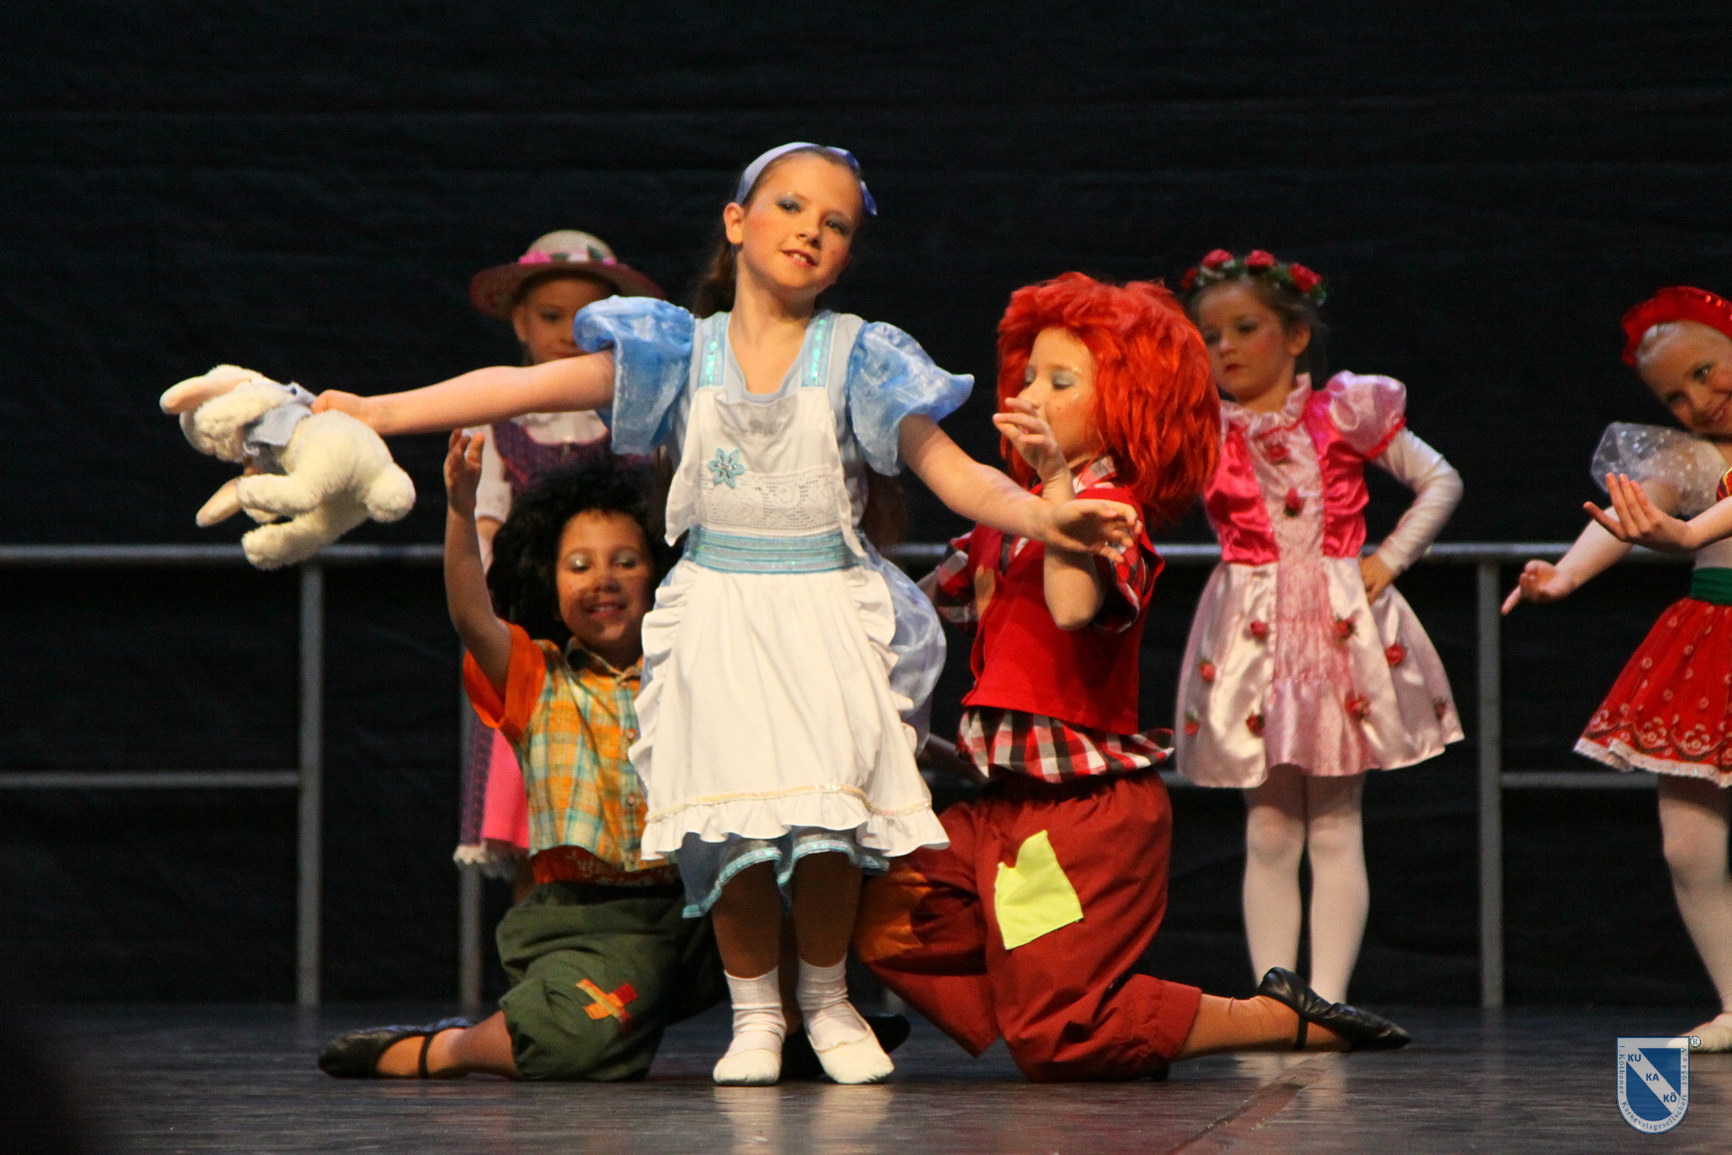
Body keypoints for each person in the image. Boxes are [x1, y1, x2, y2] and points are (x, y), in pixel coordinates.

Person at [312, 142, 1142, 1085]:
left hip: (823, 605)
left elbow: (952, 470)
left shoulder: (858, 356)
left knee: (828, 816)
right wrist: (379, 411)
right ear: (738, 222)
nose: (810, 230)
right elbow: (518, 388)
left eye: (835, 223)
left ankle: (824, 999)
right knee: (730, 823)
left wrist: (1043, 515)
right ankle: (755, 1012)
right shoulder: (680, 352)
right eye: (791, 207)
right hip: (718, 607)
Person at [856, 272, 1411, 1081]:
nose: (1032, 396)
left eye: (1061, 381)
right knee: (887, 903)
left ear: (1125, 403)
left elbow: (1072, 605)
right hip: (1003, 809)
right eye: (1029, 376)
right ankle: (1061, 994)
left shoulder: (1110, 513)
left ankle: (1272, 1018)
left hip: (1077, 821)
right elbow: (921, 614)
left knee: (1060, 1040)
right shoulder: (1008, 515)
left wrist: (1054, 493)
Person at [1174, 249, 1463, 1005]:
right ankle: (1275, 1003)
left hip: (1335, 630)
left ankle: (1327, 1002)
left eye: (1246, 329)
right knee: (1269, 826)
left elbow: (1439, 479)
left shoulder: (1342, 412)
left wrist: (1389, 559)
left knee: (1335, 821)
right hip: (1251, 631)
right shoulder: (1206, 429)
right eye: (1212, 336)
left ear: (1296, 336)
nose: (1226, 348)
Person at [1505, 285, 1732, 1051]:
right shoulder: (1691, 456)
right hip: (1715, 640)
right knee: (1688, 842)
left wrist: (1684, 532)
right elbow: (1636, 511)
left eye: (1704, 370)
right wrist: (1566, 574)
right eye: (1676, 395)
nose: (1698, 400)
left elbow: (1689, 525)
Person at [455, 230, 663, 889]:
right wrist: (503, 610)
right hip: (539, 635)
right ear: (520, 322)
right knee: (533, 809)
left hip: (626, 640)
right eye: (551, 317)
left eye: (586, 320)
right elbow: (487, 524)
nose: (569, 334)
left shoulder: (635, 418)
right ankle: (538, 934)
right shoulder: (501, 418)